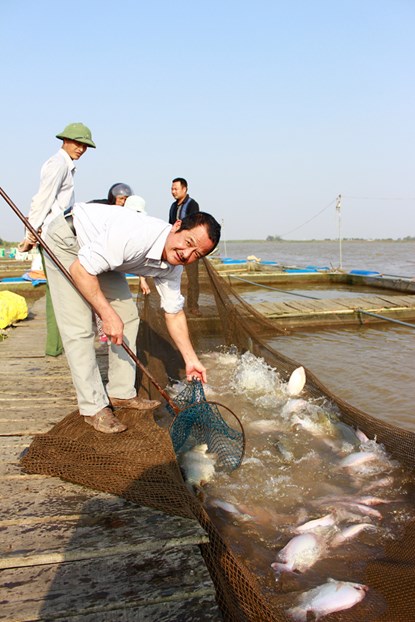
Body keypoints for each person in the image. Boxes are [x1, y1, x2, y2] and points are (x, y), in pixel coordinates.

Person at [44, 203, 221, 434]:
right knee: (78, 329)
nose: (186, 255)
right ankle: (93, 407)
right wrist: (106, 314)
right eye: (188, 243)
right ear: (177, 226)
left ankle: (120, 393)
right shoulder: (136, 236)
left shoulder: (174, 266)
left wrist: (190, 359)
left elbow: (174, 313)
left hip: (102, 251)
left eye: (196, 254)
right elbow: (81, 270)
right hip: (68, 239)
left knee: (127, 317)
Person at [18, 122, 96, 356]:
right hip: (53, 235)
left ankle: (57, 344)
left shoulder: (66, 165)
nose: (81, 149)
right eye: (78, 143)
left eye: (84, 146)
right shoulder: (58, 164)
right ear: (65, 141)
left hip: (58, 232)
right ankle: (56, 346)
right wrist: (29, 235)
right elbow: (42, 201)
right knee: (60, 291)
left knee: (59, 290)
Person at [168, 178, 201, 316]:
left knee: (193, 278)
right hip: (176, 248)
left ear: (184, 189)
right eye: (172, 189)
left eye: (176, 189)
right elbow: (171, 225)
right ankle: (173, 305)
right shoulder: (173, 206)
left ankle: (193, 306)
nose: (173, 191)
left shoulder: (192, 204)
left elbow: (194, 226)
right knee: (171, 275)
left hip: (189, 248)